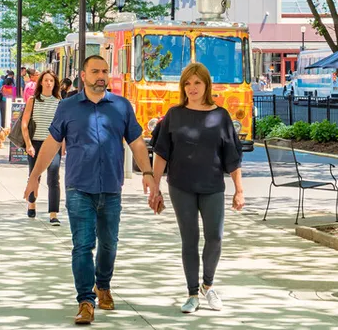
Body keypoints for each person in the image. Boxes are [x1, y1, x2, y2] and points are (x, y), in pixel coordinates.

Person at [25, 55, 159, 325]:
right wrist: (34, 177)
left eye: (105, 71)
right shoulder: (67, 107)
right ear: (83, 76)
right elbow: (51, 143)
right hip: (79, 188)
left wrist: (148, 173)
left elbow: (136, 142)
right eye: (96, 71)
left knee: (109, 244)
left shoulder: (121, 106)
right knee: (83, 245)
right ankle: (85, 300)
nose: (102, 75)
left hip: (110, 187)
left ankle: (104, 285)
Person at [149, 63, 245, 314]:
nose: (192, 88)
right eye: (187, 83)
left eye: (197, 83)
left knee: (215, 237)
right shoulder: (174, 114)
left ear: (206, 85)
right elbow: (161, 153)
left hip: (213, 185)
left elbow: (232, 157)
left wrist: (239, 189)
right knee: (189, 239)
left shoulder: (221, 116)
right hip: (181, 186)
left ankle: (208, 285)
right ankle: (192, 293)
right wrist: (155, 187)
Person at [22, 70, 64, 226]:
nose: (48, 83)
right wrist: (28, 144)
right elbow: (25, 124)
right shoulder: (33, 101)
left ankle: (53, 213)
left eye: (51, 81)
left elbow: (62, 126)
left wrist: (63, 146)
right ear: (40, 82)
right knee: (34, 175)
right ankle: (31, 203)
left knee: (54, 176)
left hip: (53, 144)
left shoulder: (60, 102)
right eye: (46, 80)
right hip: (36, 143)